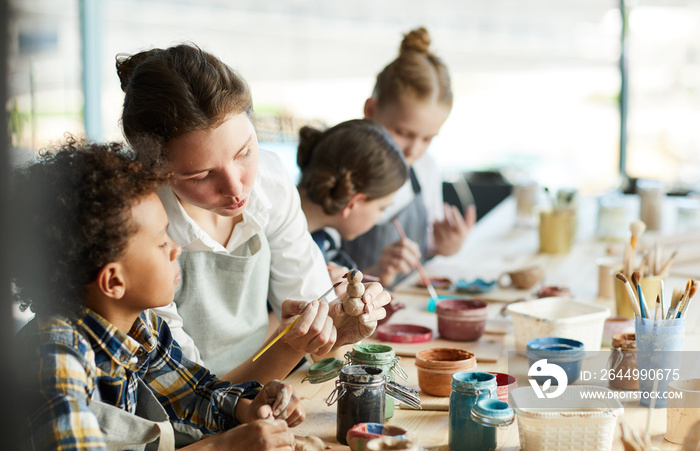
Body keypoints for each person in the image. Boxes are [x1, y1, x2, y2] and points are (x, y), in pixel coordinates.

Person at [10, 139, 303, 451]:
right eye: (162, 241)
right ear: (114, 281)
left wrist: (247, 407)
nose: (175, 249)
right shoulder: (55, 356)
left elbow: (192, 394)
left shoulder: (139, 325)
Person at [116, 44, 389, 385]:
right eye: (202, 175)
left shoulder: (270, 182)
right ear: (155, 171)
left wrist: (340, 328)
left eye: (245, 152)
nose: (236, 188)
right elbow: (185, 395)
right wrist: (291, 346)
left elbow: (318, 332)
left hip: (261, 389)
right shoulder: (137, 226)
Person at [340, 27, 477, 287]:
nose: (414, 150)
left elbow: (425, 245)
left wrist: (444, 246)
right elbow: (313, 277)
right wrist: (376, 271)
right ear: (370, 110)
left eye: (428, 138)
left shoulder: (425, 168)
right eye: (403, 133)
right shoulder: (338, 172)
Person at [296, 119, 408, 287]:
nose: (379, 217)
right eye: (381, 208)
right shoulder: (271, 238)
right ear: (353, 203)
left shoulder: (322, 240)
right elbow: (251, 314)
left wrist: (377, 272)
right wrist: (319, 297)